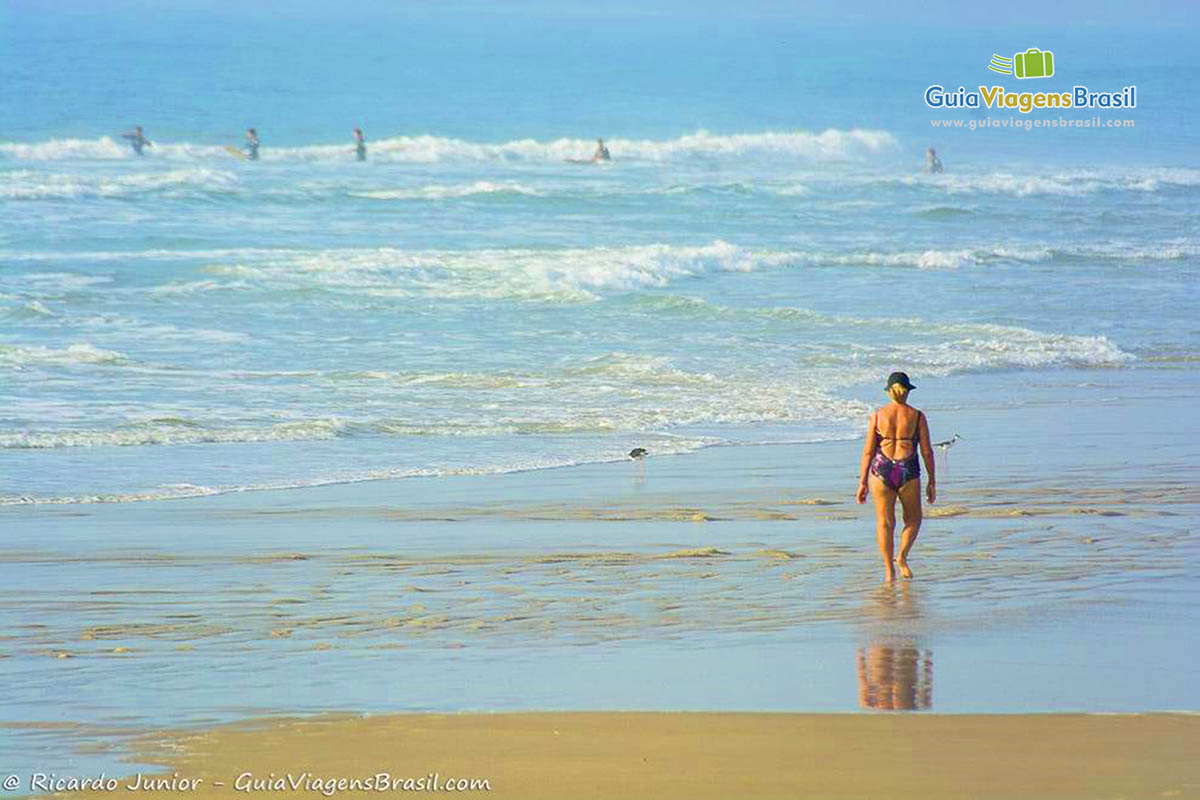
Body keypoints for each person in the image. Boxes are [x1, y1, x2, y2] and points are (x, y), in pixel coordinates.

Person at [856, 372, 936, 582]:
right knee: (913, 520)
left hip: (881, 469)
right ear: (907, 391)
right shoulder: (917, 416)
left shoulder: (877, 416)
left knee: (884, 522)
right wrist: (932, 481)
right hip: (907, 468)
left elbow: (868, 452)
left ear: (889, 391)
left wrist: (862, 481)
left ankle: (888, 571)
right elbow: (927, 451)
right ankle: (901, 558)